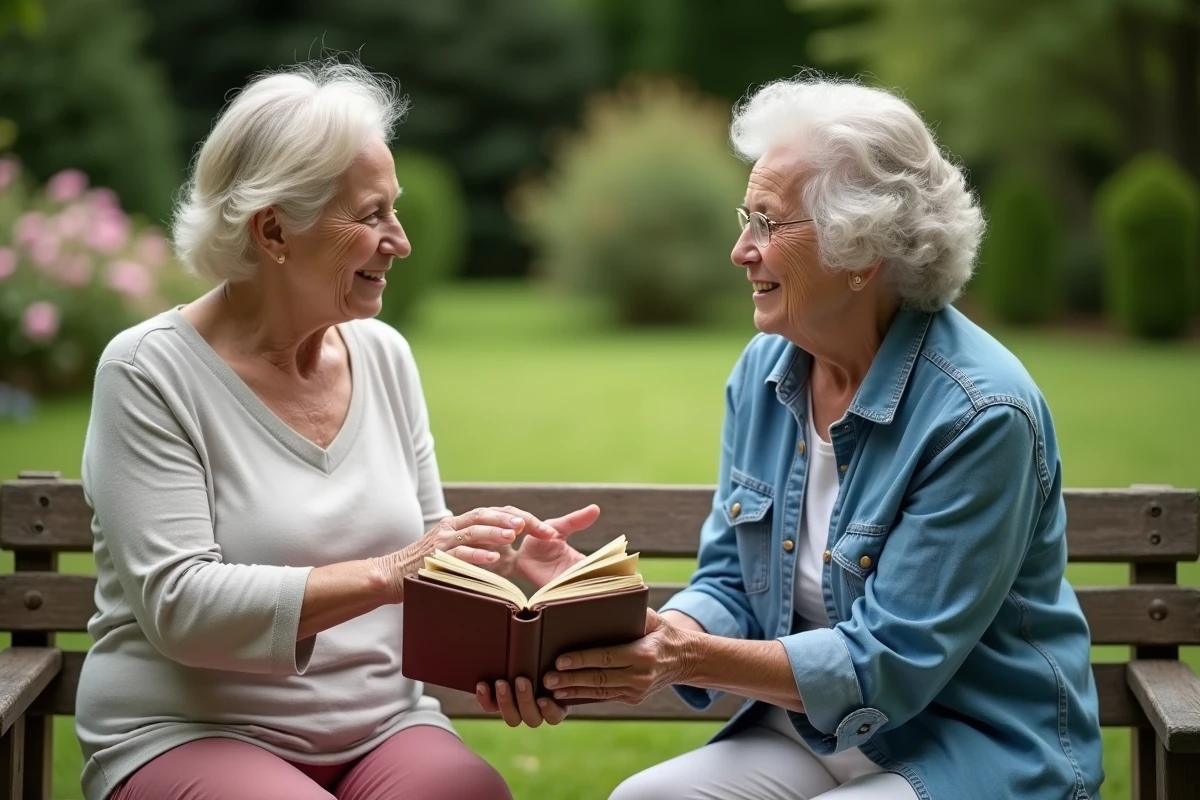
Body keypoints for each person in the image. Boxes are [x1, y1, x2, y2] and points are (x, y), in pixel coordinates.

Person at [483, 75, 1105, 800]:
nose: (740, 251)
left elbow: (888, 665)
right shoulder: (767, 371)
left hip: (972, 743)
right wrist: (621, 616)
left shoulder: (981, 414)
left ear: (859, 252)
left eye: (767, 224)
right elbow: (726, 583)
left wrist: (682, 657)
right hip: (811, 732)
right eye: (745, 218)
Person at [74, 59, 588, 800]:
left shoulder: (383, 356)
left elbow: (427, 558)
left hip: (380, 725)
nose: (401, 241)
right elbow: (179, 606)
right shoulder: (149, 372)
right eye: (372, 215)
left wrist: (524, 613)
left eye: (395, 210)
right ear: (275, 229)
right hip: (188, 730)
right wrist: (388, 572)